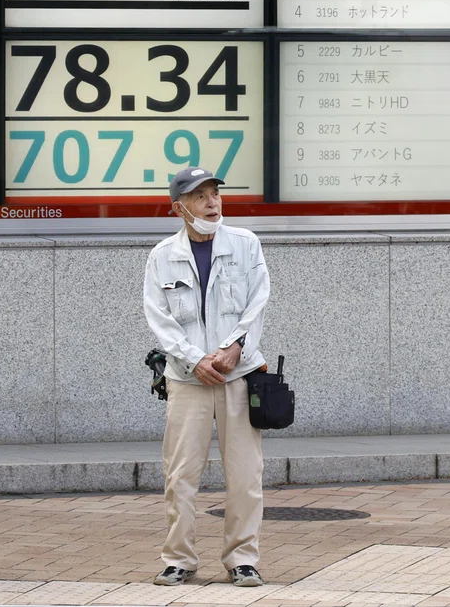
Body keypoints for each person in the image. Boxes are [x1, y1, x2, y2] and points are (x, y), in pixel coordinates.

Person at [143, 167, 270, 588]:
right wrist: (196, 359)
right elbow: (159, 320)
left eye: (215, 194)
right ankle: (178, 559)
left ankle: (242, 560)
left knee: (245, 475)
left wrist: (235, 347)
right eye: (200, 197)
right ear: (179, 208)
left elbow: (258, 302)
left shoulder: (245, 243)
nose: (212, 203)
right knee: (180, 475)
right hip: (186, 379)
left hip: (237, 375)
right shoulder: (162, 255)